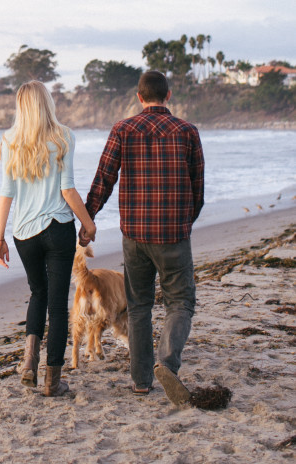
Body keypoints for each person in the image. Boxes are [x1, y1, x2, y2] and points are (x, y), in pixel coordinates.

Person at [82, 69, 205, 404]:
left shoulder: (123, 129)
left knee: (138, 306)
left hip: (135, 236)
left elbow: (103, 179)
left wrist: (86, 219)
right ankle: (166, 363)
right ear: (168, 96)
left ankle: (140, 381)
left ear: (139, 97)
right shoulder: (187, 131)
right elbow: (198, 190)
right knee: (181, 302)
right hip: (173, 235)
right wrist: (183, 224)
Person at [0, 80, 96, 397]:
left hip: (23, 233)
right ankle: (52, 379)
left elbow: (7, 192)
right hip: (58, 228)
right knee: (57, 303)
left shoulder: (9, 140)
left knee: (37, 294)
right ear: (47, 103)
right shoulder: (64, 136)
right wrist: (88, 223)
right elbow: (67, 190)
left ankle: (28, 363)